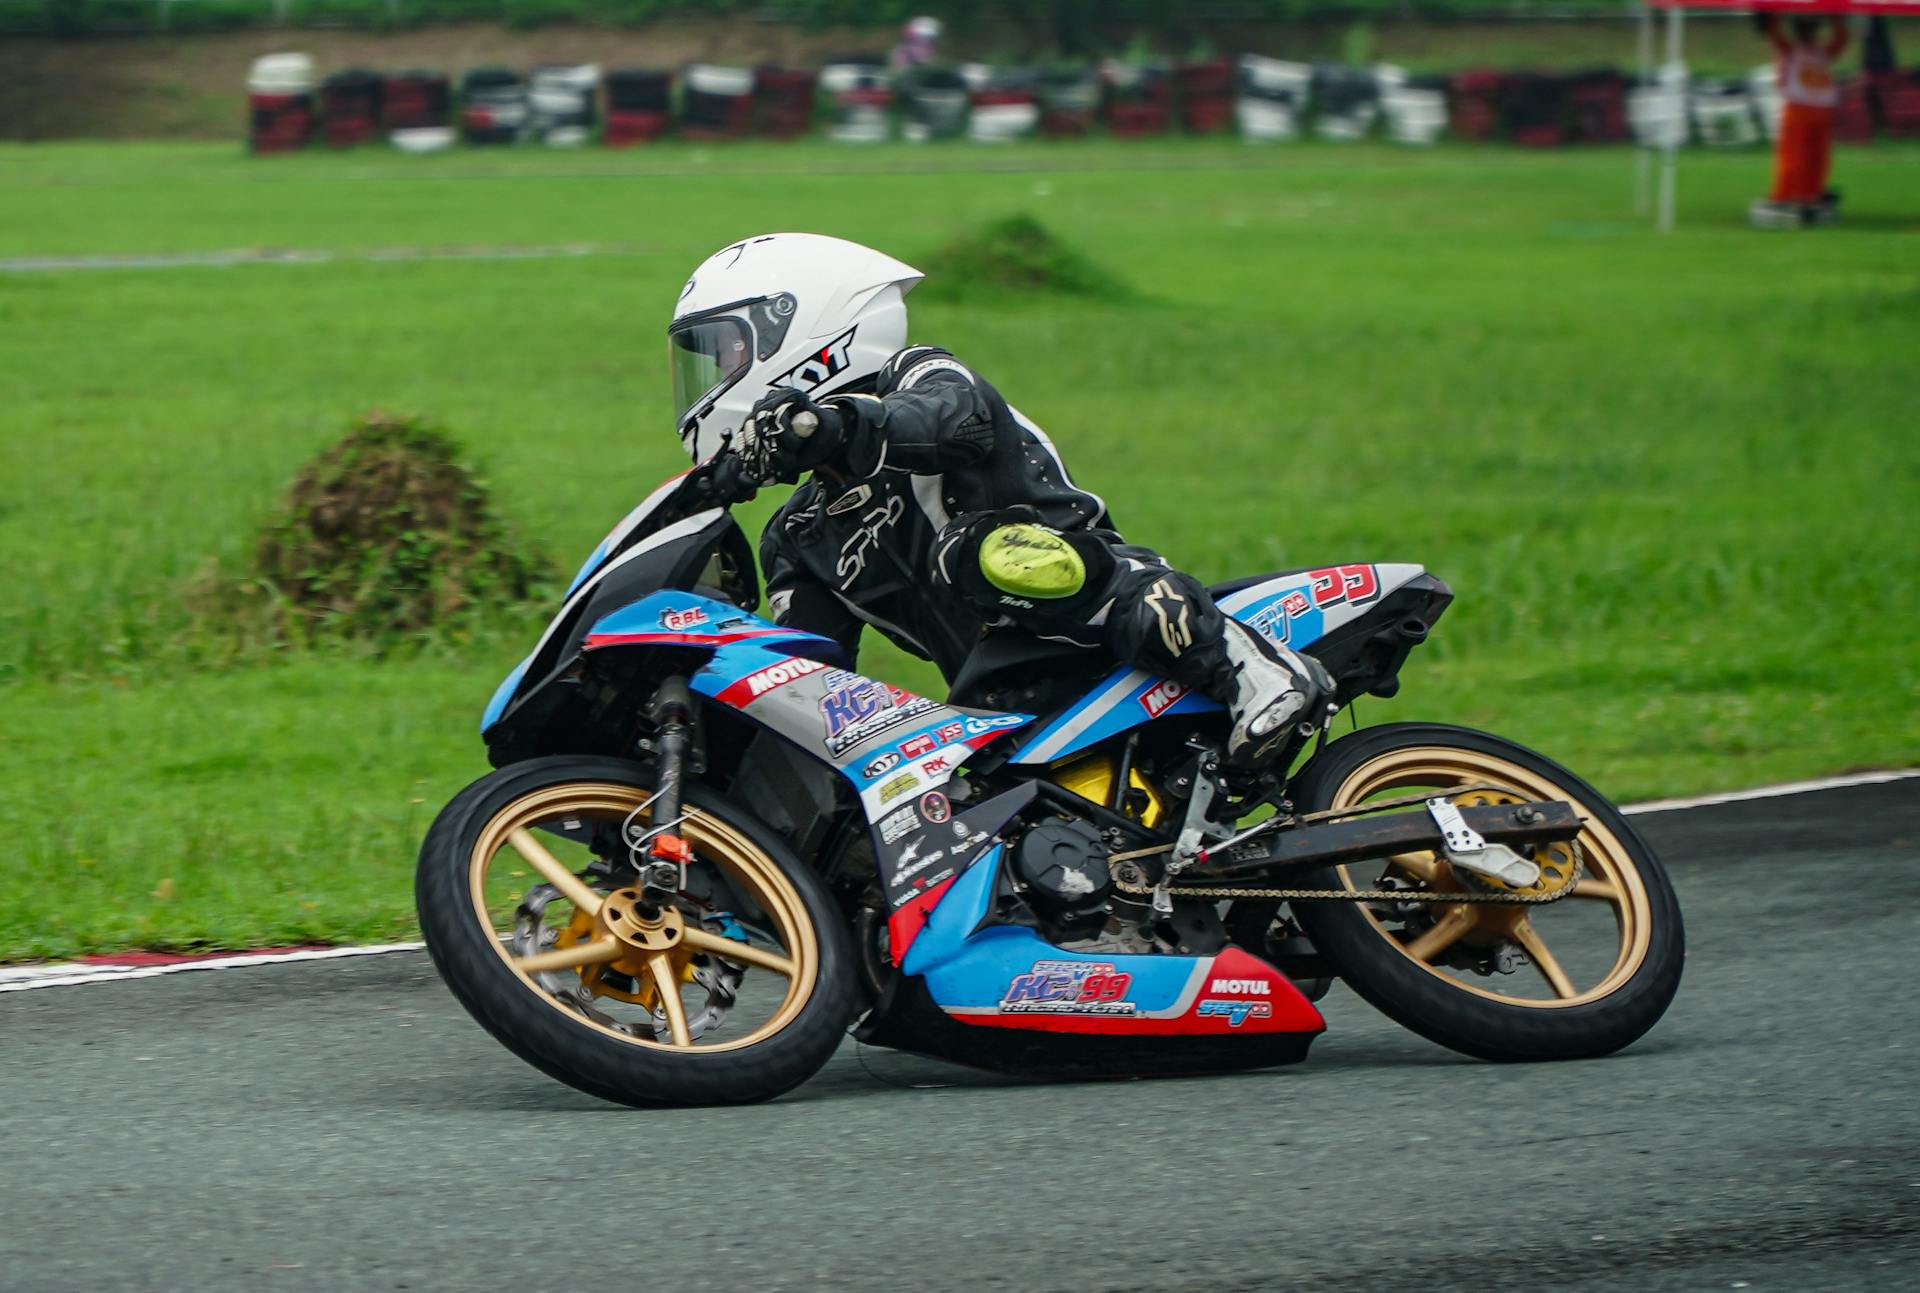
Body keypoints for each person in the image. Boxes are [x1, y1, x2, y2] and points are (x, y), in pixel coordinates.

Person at [668, 233, 1332, 771]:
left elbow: (956, 419)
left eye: (724, 351)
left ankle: (1249, 666)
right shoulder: (799, 532)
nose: (715, 376)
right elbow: (807, 675)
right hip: (998, 701)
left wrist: (828, 425)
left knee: (986, 552)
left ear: (806, 328)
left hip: (1097, 626)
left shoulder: (922, 375)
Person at [1762, 12, 1850, 216]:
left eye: (1812, 28)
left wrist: (1836, 18)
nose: (1810, 32)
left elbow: (1842, 39)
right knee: (1793, 155)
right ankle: (1785, 194)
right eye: (1806, 28)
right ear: (1799, 30)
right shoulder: (1791, 49)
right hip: (1800, 108)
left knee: (1817, 157)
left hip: (1820, 109)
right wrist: (1776, 15)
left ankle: (1810, 193)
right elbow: (1774, 34)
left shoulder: (1823, 51)